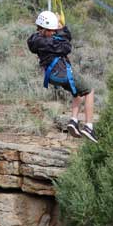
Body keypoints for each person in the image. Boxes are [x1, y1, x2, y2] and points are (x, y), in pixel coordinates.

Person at [27, 11, 98, 142]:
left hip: (53, 75)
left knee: (78, 93)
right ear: (46, 30)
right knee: (89, 91)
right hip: (61, 73)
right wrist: (61, 28)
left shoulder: (35, 39)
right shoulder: (50, 42)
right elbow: (66, 46)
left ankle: (74, 121)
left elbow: (61, 40)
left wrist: (58, 26)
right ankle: (89, 126)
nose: (53, 32)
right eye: (52, 30)